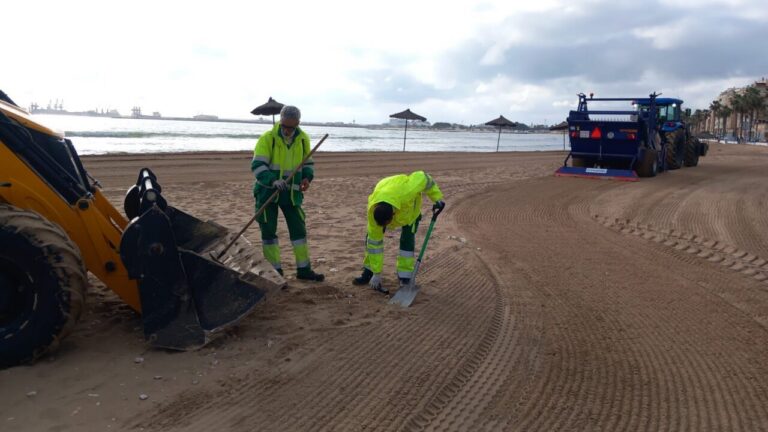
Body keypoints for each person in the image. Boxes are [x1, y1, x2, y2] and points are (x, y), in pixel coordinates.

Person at [251, 105, 324, 281]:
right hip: (268, 193)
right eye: (284, 126)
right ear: (281, 121)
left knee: (299, 231)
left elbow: (308, 163)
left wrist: (307, 177)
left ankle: (304, 270)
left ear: (298, 123)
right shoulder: (267, 138)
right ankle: (275, 273)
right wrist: (272, 180)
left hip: (292, 195)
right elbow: (257, 165)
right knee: (269, 233)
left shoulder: (303, 139)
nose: (287, 131)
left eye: (291, 127)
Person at [352, 171, 444, 294]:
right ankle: (369, 272)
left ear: (393, 215)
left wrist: (437, 198)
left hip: (410, 213)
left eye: (386, 224)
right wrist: (377, 273)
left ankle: (405, 277)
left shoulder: (409, 190)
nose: (385, 227)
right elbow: (375, 245)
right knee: (371, 240)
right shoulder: (372, 210)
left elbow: (424, 178)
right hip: (387, 189)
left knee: (407, 242)